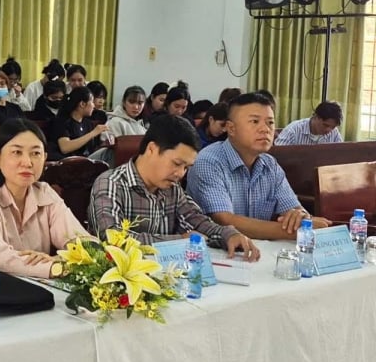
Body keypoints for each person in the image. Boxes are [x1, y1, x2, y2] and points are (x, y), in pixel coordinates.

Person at [90, 115, 260, 260]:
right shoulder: (111, 184)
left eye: (186, 167)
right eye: (177, 163)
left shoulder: (172, 188)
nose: (180, 173)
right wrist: (178, 241)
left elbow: (197, 220)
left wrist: (229, 234)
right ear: (151, 149)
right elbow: (112, 239)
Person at [188, 93, 331, 240]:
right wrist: (300, 231)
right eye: (255, 121)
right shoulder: (209, 162)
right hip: (214, 249)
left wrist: (301, 217)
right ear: (231, 128)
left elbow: (294, 210)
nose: (265, 129)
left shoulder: (270, 164)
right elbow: (225, 221)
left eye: (270, 122)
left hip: (260, 249)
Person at [0, 118, 90, 278]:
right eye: (17, 152)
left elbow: (84, 243)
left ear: (44, 158)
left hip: (37, 284)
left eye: (36, 153)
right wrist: (56, 267)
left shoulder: (44, 192)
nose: (27, 162)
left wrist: (59, 260)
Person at [46, 86, 108, 161]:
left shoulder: (88, 123)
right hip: (67, 162)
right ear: (82, 104)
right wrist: (93, 133)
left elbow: (91, 149)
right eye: (91, 102)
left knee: (108, 152)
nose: (93, 105)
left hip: (87, 160)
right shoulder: (61, 121)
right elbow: (65, 148)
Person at [275, 101, 344, 146]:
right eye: (325, 125)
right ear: (316, 116)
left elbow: (341, 155)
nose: (329, 130)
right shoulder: (293, 131)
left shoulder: (334, 132)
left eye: (333, 127)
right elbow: (278, 155)